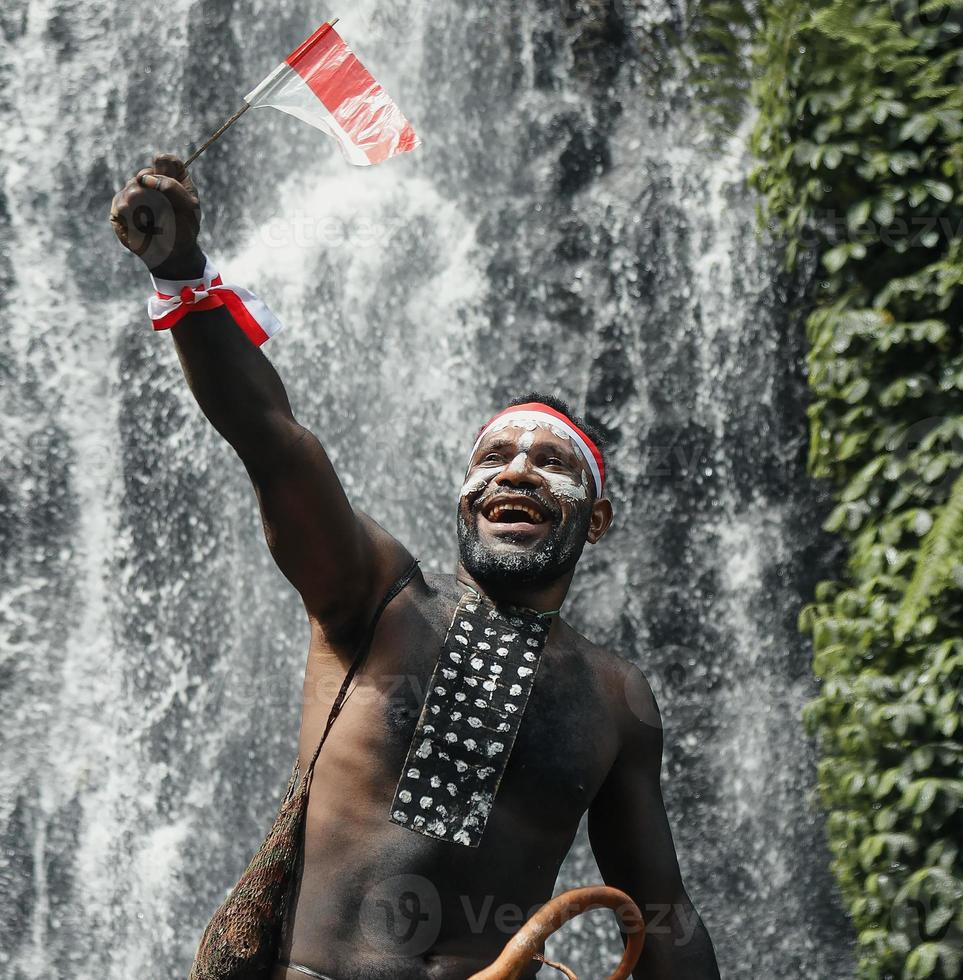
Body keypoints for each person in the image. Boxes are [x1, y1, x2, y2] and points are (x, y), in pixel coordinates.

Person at [109, 154, 721, 980]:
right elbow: (272, 440)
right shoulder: (377, 597)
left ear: (596, 518)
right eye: (496, 456)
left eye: (550, 462)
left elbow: (663, 915)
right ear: (464, 497)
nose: (515, 471)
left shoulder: (616, 697)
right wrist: (183, 272)